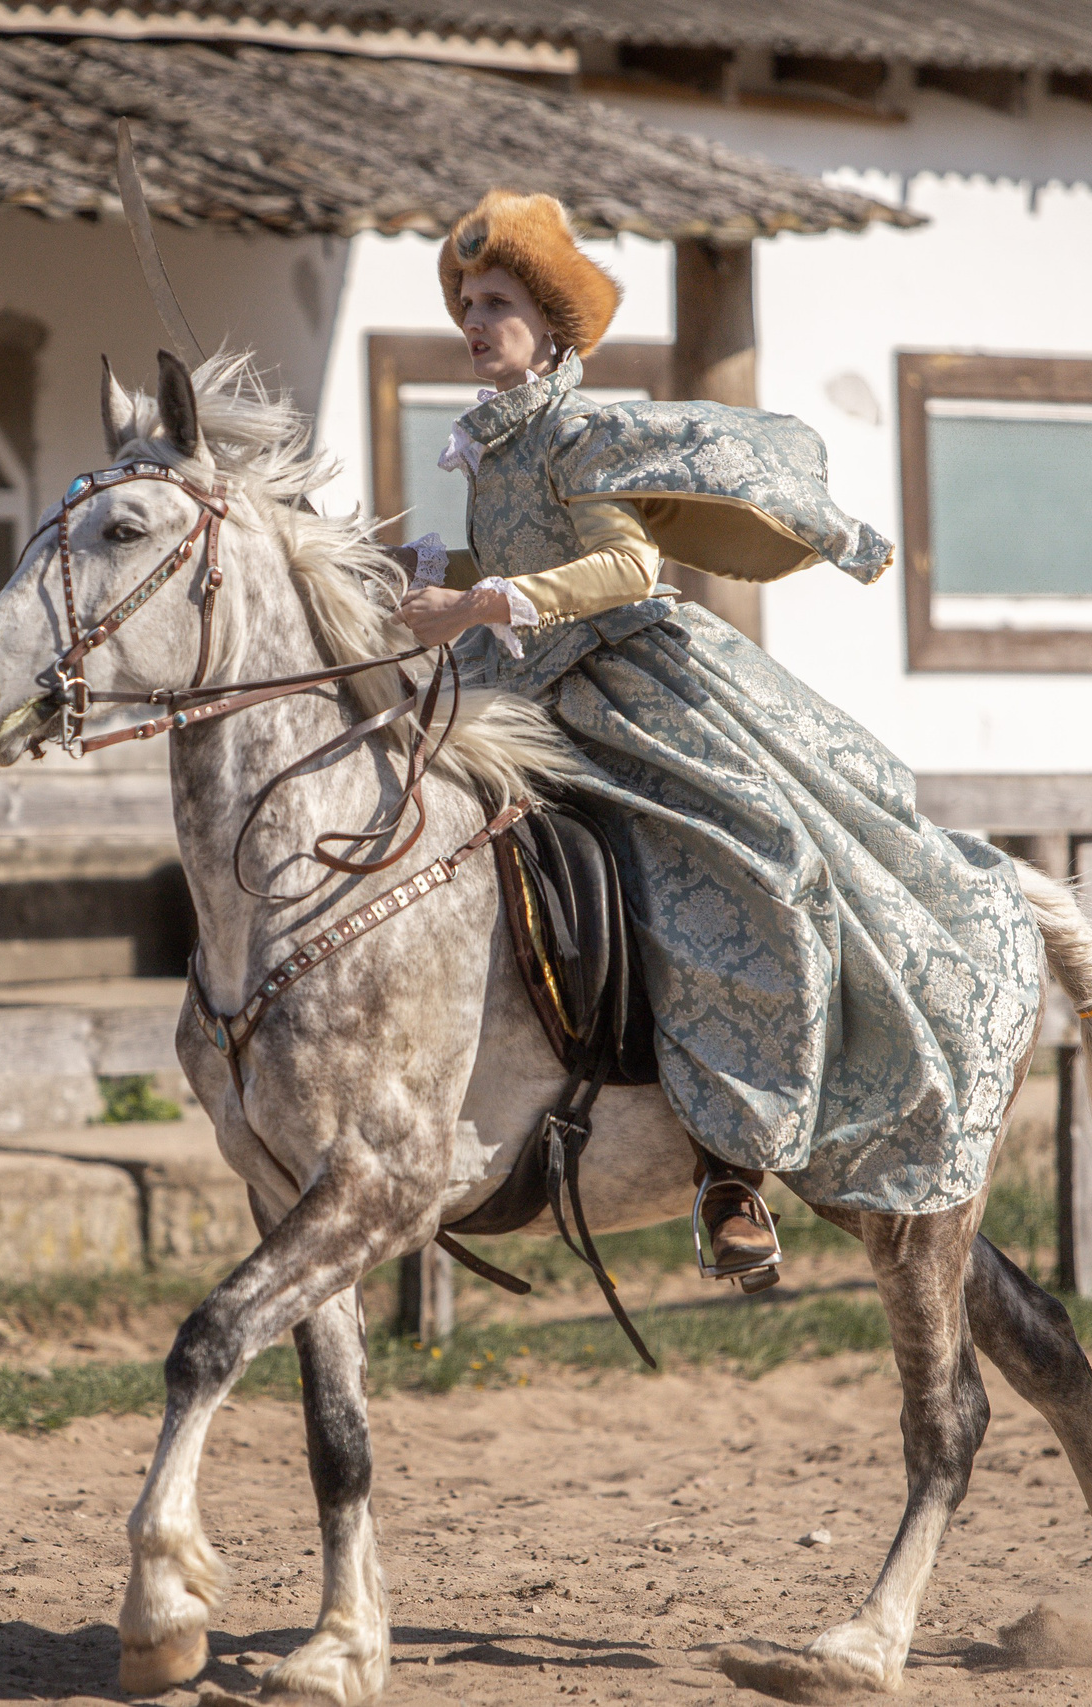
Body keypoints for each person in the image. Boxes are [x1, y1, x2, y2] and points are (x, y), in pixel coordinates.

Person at [396, 190, 1042, 1289]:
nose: (473, 320)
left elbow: (624, 568)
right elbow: (515, 561)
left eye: (495, 302)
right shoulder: (489, 447)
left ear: (550, 327)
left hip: (626, 690)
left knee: (737, 870)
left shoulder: (579, 435)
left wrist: (477, 603)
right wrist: (418, 575)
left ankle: (730, 1169)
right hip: (519, 693)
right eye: (466, 303)